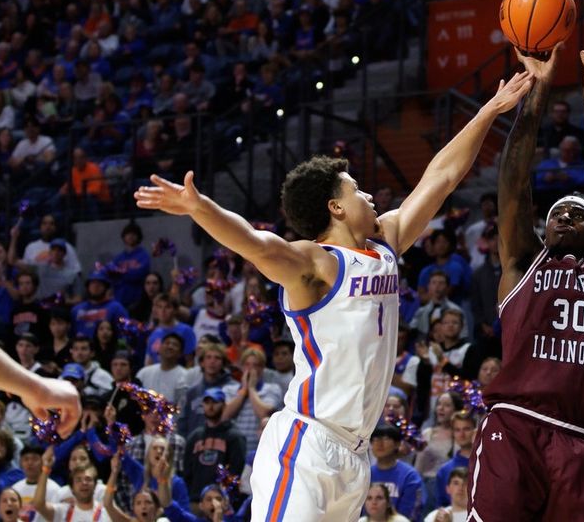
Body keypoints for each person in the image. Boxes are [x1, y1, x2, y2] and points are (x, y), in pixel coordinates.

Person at [137, 74, 533, 522]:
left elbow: (441, 176)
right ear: (336, 207)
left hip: (354, 456)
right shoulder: (316, 264)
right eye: (357, 189)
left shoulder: (386, 242)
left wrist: (488, 111)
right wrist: (200, 207)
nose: (368, 194)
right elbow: (255, 243)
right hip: (306, 445)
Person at [467, 35, 584, 521]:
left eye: (575, 217)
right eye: (557, 213)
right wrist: (537, 92)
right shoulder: (521, 263)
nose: (563, 219)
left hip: (572, 437)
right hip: (512, 426)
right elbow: (513, 184)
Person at [0, 334, 79, 438]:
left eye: (28, 346)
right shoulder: (16, 373)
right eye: (21, 345)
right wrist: (32, 389)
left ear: (36, 349)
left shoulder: (42, 372)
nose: (23, 350)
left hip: (30, 427)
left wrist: (32, 389)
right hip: (9, 423)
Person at [368, 425, 423, 521]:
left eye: (386, 439)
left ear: (397, 444)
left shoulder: (409, 476)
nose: (380, 444)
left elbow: (412, 512)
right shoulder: (366, 474)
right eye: (375, 439)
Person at [434, 412, 474, 508]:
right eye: (457, 430)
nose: (462, 434)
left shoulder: (488, 464)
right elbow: (440, 506)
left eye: (467, 429)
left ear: (476, 430)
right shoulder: (444, 471)